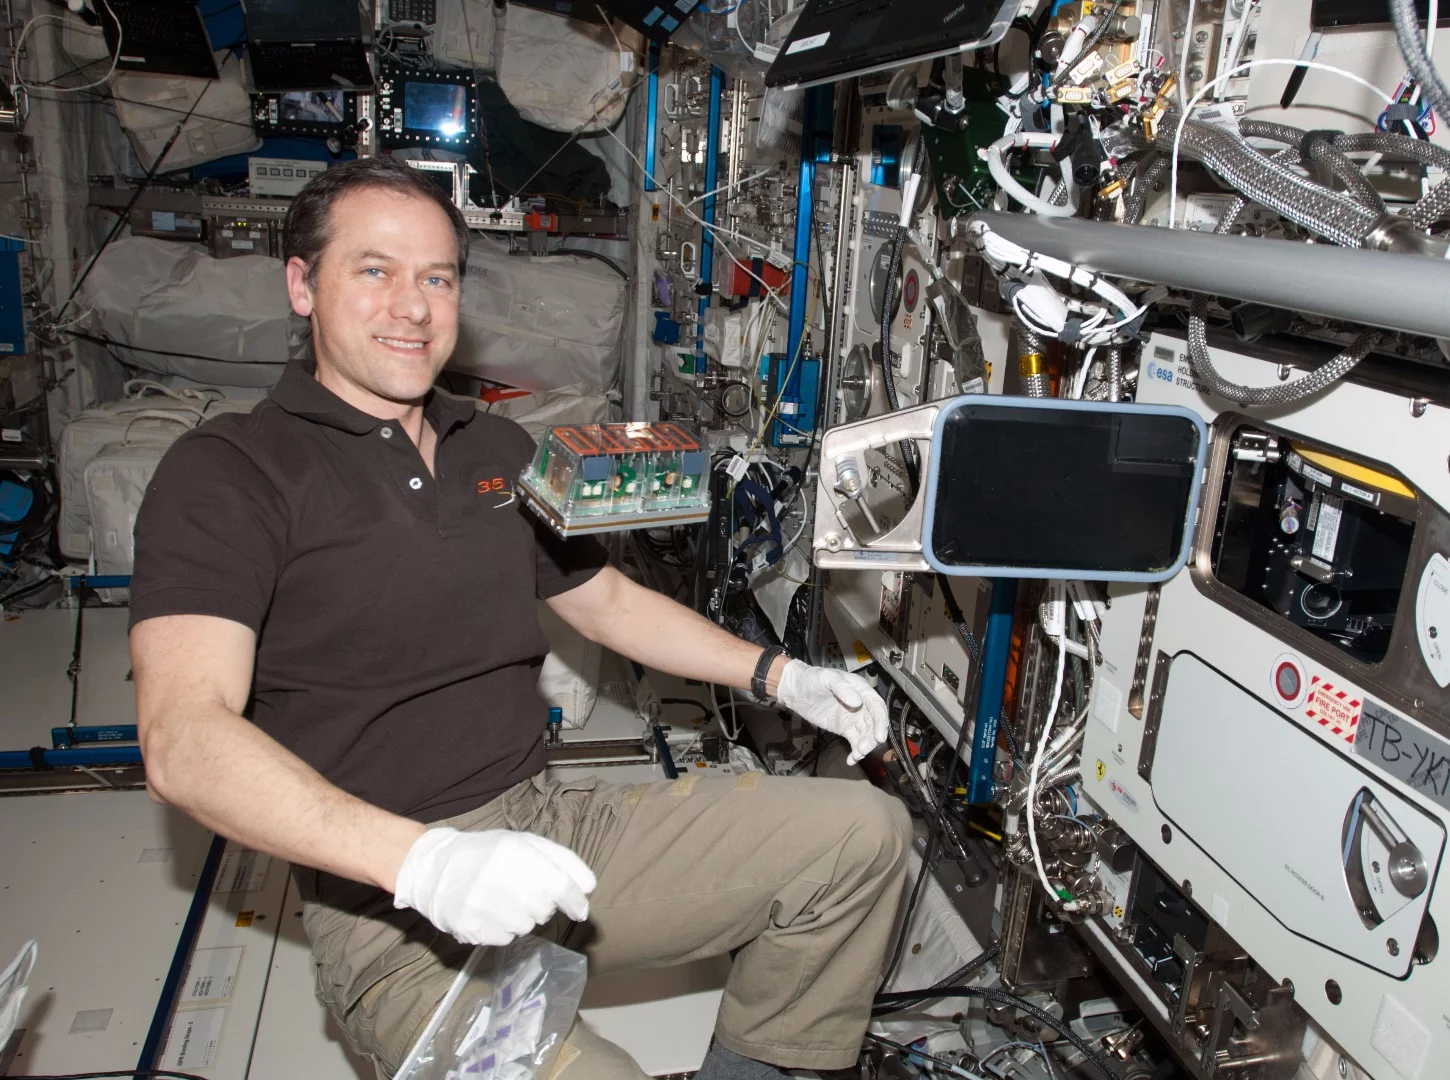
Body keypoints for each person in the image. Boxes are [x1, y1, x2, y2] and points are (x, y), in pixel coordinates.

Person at [129, 155, 911, 1080]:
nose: (412, 307)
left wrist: (779, 676)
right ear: (302, 285)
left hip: (546, 829)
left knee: (866, 839)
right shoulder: (229, 473)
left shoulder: (492, 445)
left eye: (437, 277)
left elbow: (604, 600)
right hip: (387, 903)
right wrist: (425, 864)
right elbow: (183, 737)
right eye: (373, 270)